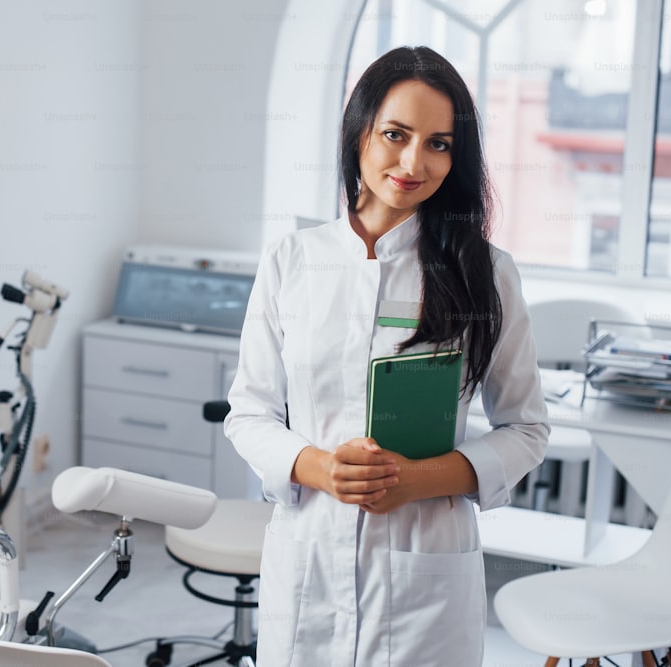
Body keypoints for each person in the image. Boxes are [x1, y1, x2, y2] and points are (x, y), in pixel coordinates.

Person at [224, 45, 550, 666]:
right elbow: (248, 412)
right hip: (309, 554)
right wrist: (319, 467)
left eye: (439, 144)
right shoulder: (291, 262)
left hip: (425, 561)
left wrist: (414, 482)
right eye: (395, 135)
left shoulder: (486, 274)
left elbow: (527, 429)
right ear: (359, 134)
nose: (412, 162)